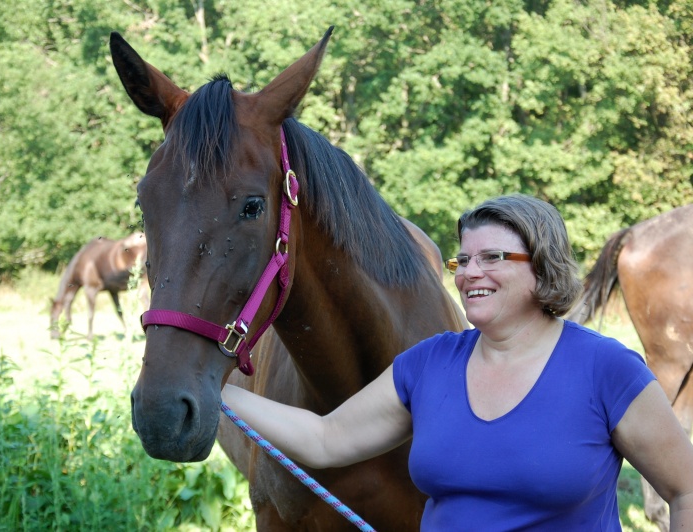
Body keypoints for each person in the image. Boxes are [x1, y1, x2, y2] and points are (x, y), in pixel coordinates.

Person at [220, 194, 693, 530]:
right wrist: (216, 391)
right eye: (462, 260)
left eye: (491, 257)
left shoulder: (607, 369)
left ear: (542, 266)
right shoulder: (429, 365)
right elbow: (326, 439)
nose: (469, 273)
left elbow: (684, 489)